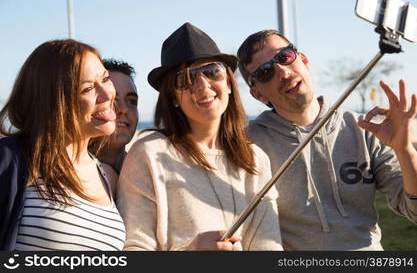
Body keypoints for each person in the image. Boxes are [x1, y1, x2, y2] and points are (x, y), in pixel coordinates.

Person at [236, 29, 417, 250]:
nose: (282, 72)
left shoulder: (364, 129)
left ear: (303, 59)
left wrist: (406, 150)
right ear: (258, 95)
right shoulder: (247, 145)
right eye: (265, 72)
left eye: (284, 57)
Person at [116, 22, 283, 251]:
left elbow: (268, 247)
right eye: (185, 79)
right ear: (173, 97)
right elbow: (134, 248)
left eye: (212, 71)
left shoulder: (255, 159)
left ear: (229, 83)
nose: (203, 86)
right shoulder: (149, 154)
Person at [0, 39, 125, 251]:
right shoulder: (10, 160)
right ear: (53, 101)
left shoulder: (107, 176)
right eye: (87, 89)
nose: (107, 94)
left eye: (105, 79)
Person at [90, 59, 139, 174]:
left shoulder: (145, 172)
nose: (123, 109)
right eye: (112, 100)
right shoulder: (68, 175)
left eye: (132, 101)